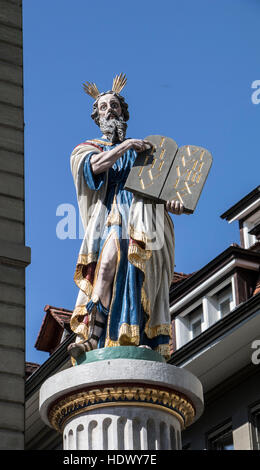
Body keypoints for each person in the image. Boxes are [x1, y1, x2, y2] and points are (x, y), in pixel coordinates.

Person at [68, 75, 183, 361]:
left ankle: (140, 337)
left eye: (115, 106)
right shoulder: (89, 148)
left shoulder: (147, 153)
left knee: (142, 277)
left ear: (123, 112)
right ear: (97, 117)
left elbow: (164, 192)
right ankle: (91, 337)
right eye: (104, 107)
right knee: (105, 267)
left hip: (148, 220)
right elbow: (93, 167)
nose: (110, 111)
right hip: (113, 215)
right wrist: (125, 146)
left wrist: (174, 203)